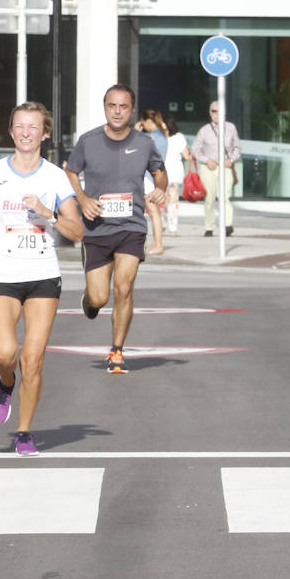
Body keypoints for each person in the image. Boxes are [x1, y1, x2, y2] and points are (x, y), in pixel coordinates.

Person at [0, 102, 83, 456]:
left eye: (33, 127)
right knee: (4, 353)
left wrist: (48, 213)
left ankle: (25, 432)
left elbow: (76, 229)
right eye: (20, 126)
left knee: (32, 358)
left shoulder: (55, 177)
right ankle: (5, 382)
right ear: (11, 131)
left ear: (45, 133)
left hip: (43, 273)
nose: (26, 132)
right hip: (2, 271)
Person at [64, 84, 167, 375]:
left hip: (131, 227)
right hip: (96, 229)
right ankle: (89, 300)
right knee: (100, 298)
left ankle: (117, 350)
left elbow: (160, 173)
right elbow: (70, 170)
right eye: (112, 106)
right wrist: (82, 199)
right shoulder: (88, 141)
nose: (118, 111)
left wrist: (159, 189)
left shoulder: (145, 143)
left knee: (124, 288)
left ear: (131, 109)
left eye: (123, 106)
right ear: (105, 107)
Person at [191, 101, 240, 237]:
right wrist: (206, 160)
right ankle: (209, 226)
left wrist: (231, 160)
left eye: (219, 111)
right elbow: (195, 149)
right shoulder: (204, 130)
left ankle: (227, 225)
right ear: (210, 113)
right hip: (209, 168)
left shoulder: (231, 128)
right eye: (214, 111)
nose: (217, 114)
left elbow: (237, 148)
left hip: (225, 167)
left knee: (225, 196)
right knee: (210, 198)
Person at [136, 109, 167, 255]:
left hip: (148, 177)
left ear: (148, 122)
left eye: (143, 124)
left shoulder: (150, 138)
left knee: (153, 212)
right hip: (157, 177)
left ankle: (158, 244)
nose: (143, 126)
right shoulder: (162, 136)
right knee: (155, 212)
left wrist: (136, 133)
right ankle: (156, 243)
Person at [160, 114, 190, 238]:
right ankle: (164, 226)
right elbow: (187, 155)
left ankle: (170, 227)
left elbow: (186, 155)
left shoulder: (177, 137)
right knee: (163, 202)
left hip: (171, 175)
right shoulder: (160, 137)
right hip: (162, 174)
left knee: (169, 202)